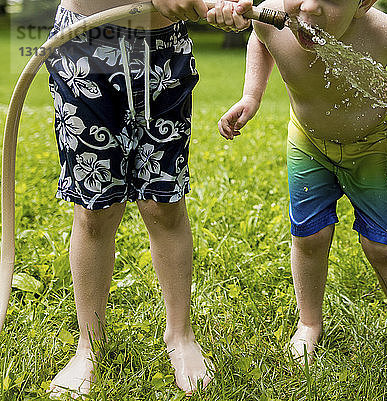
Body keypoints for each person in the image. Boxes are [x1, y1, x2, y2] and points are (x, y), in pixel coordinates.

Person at [218, 0, 387, 376]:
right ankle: (308, 323)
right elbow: (259, 40)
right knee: (309, 237)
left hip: (371, 145)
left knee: (383, 245)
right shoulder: (273, 18)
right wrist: (251, 95)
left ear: (363, 3)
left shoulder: (382, 35)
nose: (309, 6)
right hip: (308, 143)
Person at [44, 0, 252, 397]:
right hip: (85, 46)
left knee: (164, 204)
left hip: (163, 51)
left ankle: (181, 336)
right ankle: (89, 345)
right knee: (95, 210)